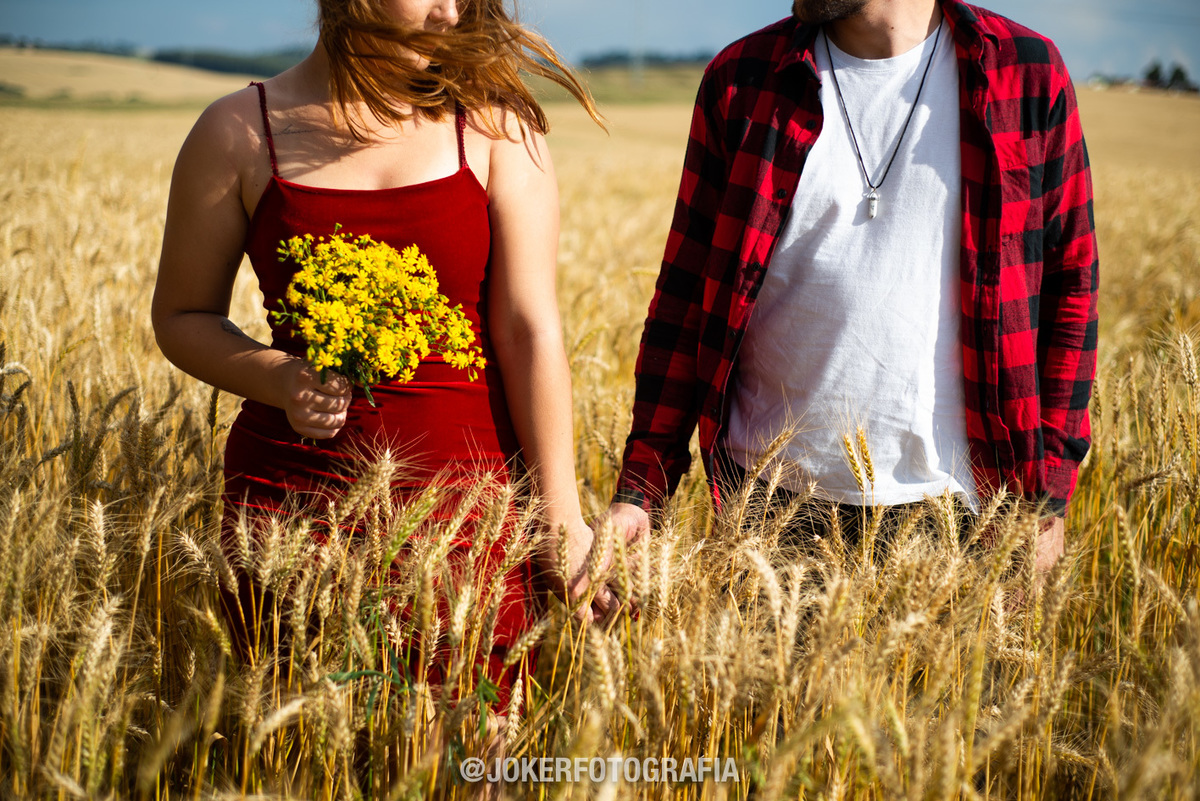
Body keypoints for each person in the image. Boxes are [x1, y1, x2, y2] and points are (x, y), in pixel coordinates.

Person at [152, 0, 621, 707]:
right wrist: (280, 378)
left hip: (469, 518)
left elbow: (531, 329)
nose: (450, 13)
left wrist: (559, 516)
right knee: (306, 750)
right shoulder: (238, 131)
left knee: (467, 758)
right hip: (291, 516)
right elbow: (182, 316)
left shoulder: (494, 128)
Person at [602, 0, 1097, 572]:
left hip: (966, 512)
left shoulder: (1026, 75)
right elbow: (686, 297)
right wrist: (640, 489)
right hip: (766, 514)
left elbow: (1072, 285)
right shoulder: (741, 81)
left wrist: (1047, 496)